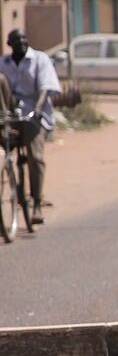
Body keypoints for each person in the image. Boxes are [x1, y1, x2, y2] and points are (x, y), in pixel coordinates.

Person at [0, 29, 62, 224]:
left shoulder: (40, 59)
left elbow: (45, 88)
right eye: (17, 40)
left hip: (34, 115)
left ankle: (36, 202)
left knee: (35, 157)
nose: (22, 42)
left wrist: (36, 109)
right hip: (9, 115)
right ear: (9, 44)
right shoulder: (4, 63)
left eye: (24, 38)